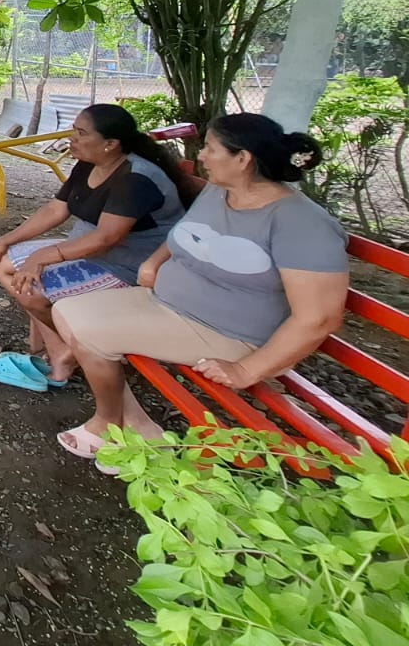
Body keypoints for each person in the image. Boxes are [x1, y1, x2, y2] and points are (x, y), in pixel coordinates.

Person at [51, 113, 348, 469]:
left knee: (89, 332)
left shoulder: (302, 224)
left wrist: (246, 370)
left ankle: (107, 424)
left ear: (243, 159)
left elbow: (319, 318)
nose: (202, 156)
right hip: (169, 305)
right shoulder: (219, 191)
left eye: (210, 148)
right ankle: (138, 426)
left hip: (228, 333)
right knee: (65, 310)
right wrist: (154, 262)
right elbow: (189, 233)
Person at [0, 104, 197, 389]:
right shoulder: (89, 164)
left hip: (129, 265)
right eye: (74, 130)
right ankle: (62, 349)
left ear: (110, 144)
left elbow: (106, 238)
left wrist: (43, 256)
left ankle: (67, 355)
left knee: (32, 291)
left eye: (81, 133)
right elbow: (55, 210)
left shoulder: (136, 179)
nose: (72, 138)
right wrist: (7, 239)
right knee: (2, 260)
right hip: (91, 251)